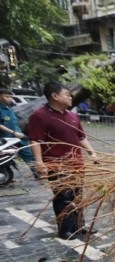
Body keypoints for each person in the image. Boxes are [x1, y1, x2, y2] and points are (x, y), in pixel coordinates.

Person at [27, 82, 99, 240]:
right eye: (67, 94)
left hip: (77, 164)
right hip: (57, 165)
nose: (70, 96)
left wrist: (92, 152)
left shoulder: (72, 115)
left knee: (78, 196)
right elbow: (35, 140)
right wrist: (39, 163)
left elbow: (81, 137)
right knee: (63, 198)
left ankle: (79, 226)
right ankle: (65, 230)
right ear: (55, 96)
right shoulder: (39, 116)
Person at [0, 88, 36, 178]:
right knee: (6, 158)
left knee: (28, 154)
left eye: (11, 97)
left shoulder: (11, 107)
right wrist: (12, 132)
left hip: (18, 136)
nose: (9, 99)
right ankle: (6, 176)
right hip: (6, 138)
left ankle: (37, 174)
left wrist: (18, 132)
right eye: (6, 96)